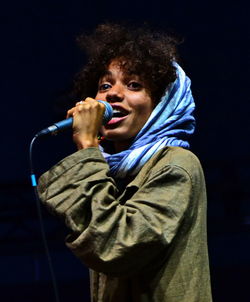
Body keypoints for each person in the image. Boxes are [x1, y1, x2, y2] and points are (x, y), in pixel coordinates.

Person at [38, 23, 212, 302]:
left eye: (134, 85)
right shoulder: (111, 173)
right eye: (104, 85)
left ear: (162, 105)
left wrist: (87, 146)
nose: (113, 94)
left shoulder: (175, 165)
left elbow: (117, 247)